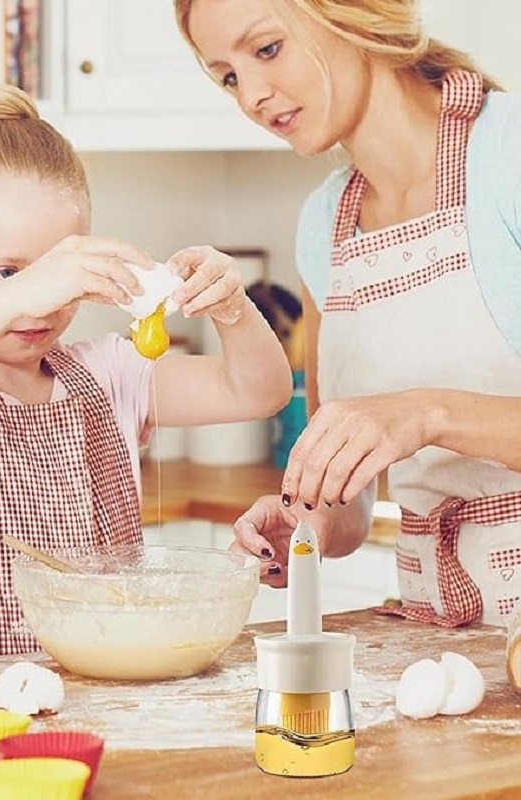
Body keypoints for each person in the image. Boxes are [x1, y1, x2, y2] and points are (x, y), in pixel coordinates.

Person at [0, 82, 292, 662]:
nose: (41, 306)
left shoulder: (111, 371)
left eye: (58, 275)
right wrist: (26, 289)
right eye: (6, 273)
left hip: (115, 681)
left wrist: (233, 307)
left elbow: (259, 390)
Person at [175, 0, 521, 627]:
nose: (251, 95)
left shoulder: (510, 155)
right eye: (227, 75)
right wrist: (303, 522)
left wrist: (426, 414)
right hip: (441, 645)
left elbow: (411, 420)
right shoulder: (322, 226)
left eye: (267, 49)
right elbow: (351, 501)